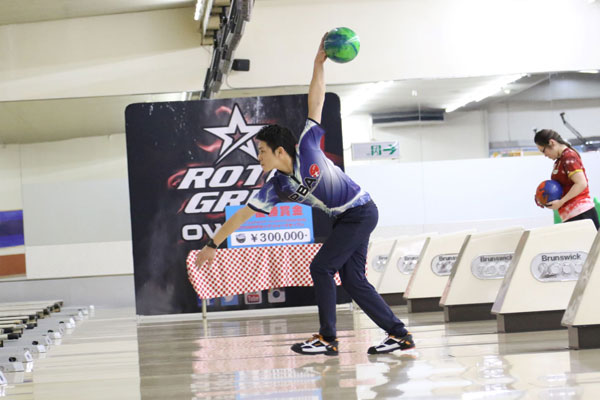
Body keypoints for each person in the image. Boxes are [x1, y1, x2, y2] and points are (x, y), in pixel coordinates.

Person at [194, 36, 414, 356]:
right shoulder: (276, 187)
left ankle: (327, 338)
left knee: (321, 267)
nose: (258, 157)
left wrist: (318, 64)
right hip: (344, 219)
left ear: (280, 151)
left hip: (361, 211)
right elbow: (242, 215)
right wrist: (212, 245)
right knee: (352, 280)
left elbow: (317, 101)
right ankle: (399, 334)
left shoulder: (308, 146)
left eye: (261, 151)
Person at [534, 129, 599, 229]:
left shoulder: (569, 157)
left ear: (552, 142)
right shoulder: (559, 160)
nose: (545, 155)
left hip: (581, 213)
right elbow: (559, 188)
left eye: (544, 151)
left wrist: (561, 202)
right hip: (571, 214)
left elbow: (581, 183)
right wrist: (542, 197)